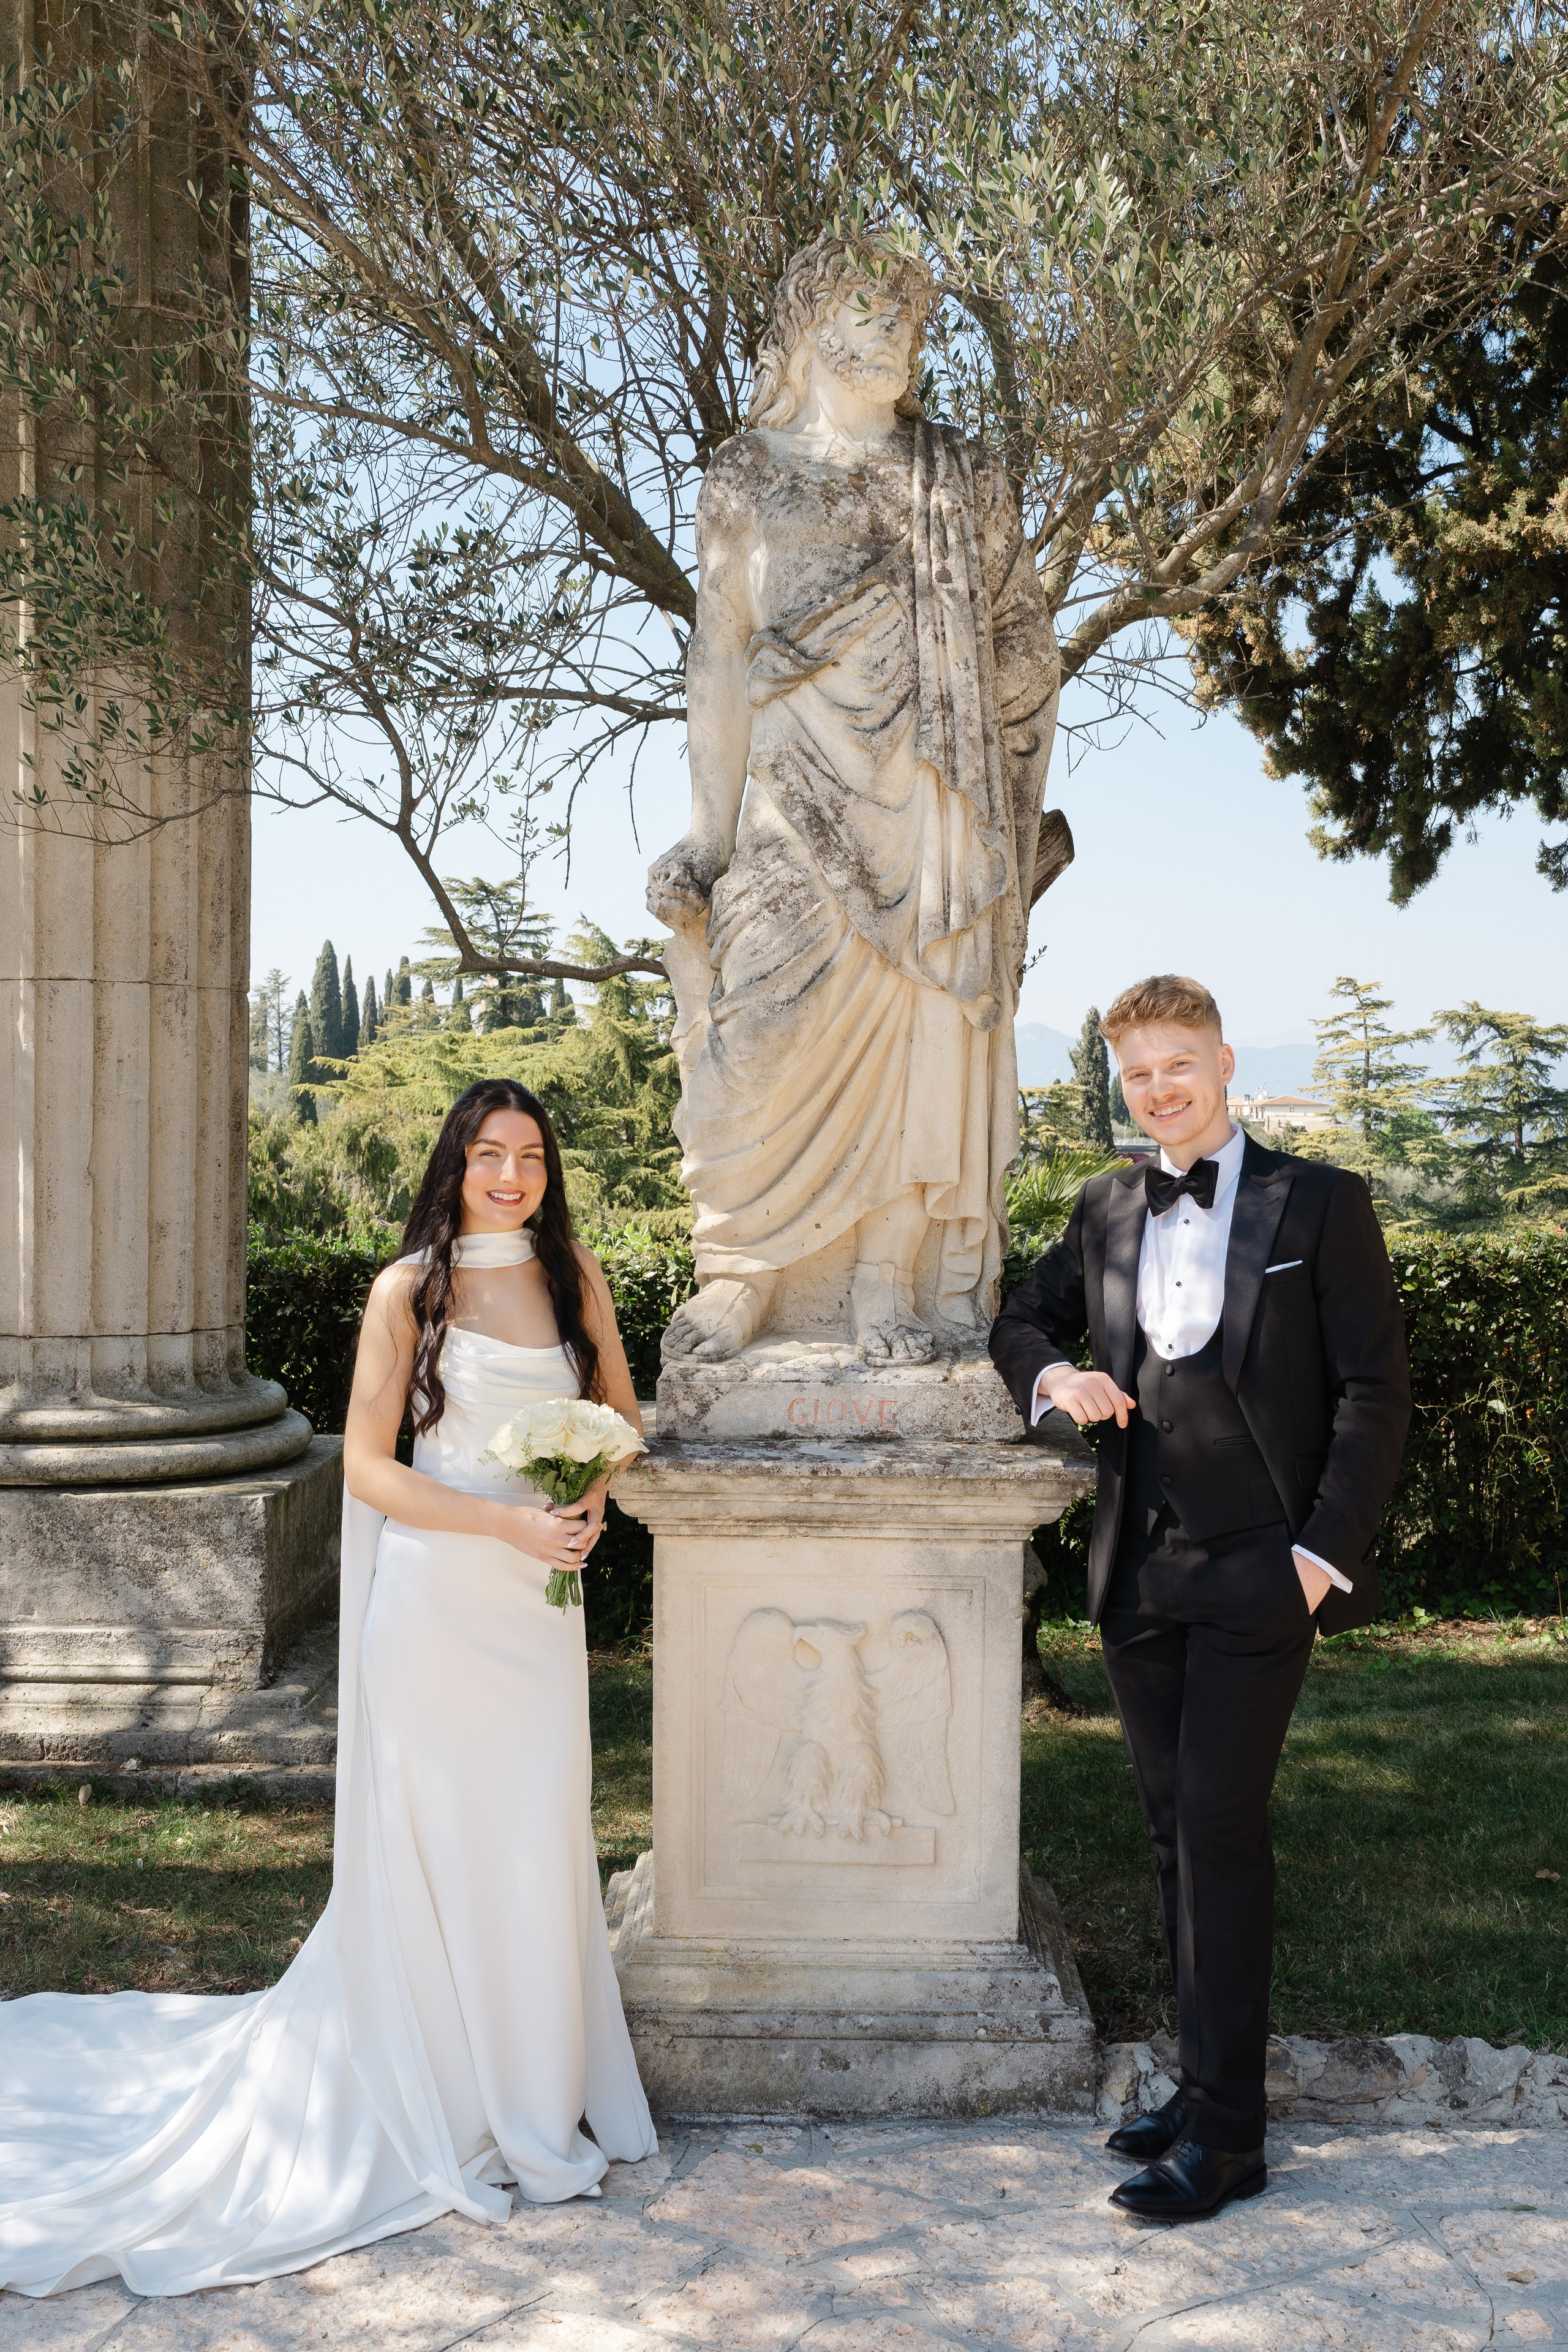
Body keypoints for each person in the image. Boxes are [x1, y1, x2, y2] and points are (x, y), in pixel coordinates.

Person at [0, 1080, 656, 2297]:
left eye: (530, 1157)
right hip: (439, 1602)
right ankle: (446, 2086)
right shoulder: (409, 1289)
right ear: (455, 1164)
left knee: (533, 1836)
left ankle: (533, 2082)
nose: (510, 1176)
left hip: (537, 1609)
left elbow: (618, 1413)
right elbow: (365, 1468)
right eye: (489, 1154)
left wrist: (587, 1501)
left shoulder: (574, 1274)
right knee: (442, 1843)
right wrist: (505, 1525)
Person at [990, 977, 1410, 2222]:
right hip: (1140, 1567)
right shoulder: (1104, 1206)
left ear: (1223, 1063)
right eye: (1137, 1072)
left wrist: (1317, 1555)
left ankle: (1229, 2139)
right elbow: (1020, 1320)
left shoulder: (1317, 1201)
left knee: (1219, 1830)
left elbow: (1373, 1392)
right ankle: (1198, 2088)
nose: (1158, 1088)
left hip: (1260, 1568)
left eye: (1178, 1063)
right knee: (1175, 1835)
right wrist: (1057, 1378)